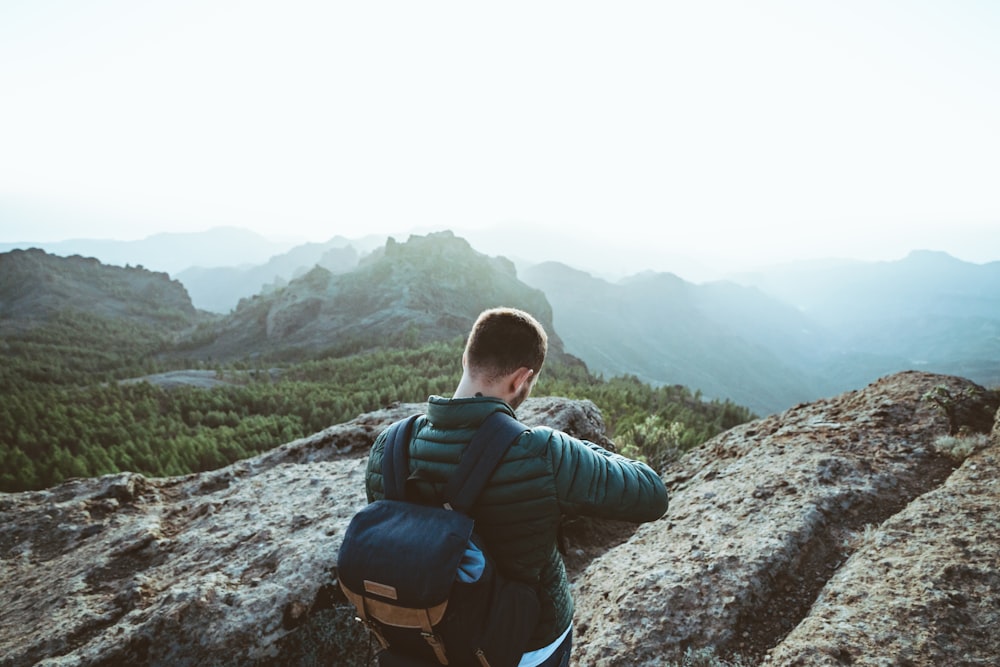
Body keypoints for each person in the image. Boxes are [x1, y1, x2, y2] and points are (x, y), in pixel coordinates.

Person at [366, 307, 669, 667]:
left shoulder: (389, 446)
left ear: (466, 358)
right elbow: (652, 493)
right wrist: (568, 445)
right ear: (521, 380)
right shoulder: (542, 451)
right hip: (522, 645)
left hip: (421, 636)